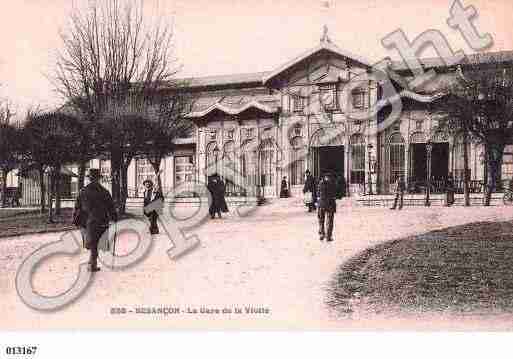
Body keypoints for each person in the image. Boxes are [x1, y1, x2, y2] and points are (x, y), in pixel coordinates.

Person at [73, 168, 117, 272]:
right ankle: (92, 264)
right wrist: (114, 218)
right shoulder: (104, 192)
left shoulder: (82, 191)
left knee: (93, 243)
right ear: (98, 179)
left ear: (89, 179)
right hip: (101, 221)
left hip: (87, 221)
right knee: (96, 242)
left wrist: (76, 220)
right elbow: (111, 207)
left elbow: (77, 207)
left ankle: (92, 263)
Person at [317, 171, 337, 242]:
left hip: (321, 205)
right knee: (329, 221)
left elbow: (318, 194)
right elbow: (335, 195)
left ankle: (322, 234)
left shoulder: (320, 184)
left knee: (321, 220)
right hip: (330, 205)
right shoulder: (332, 184)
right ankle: (328, 236)